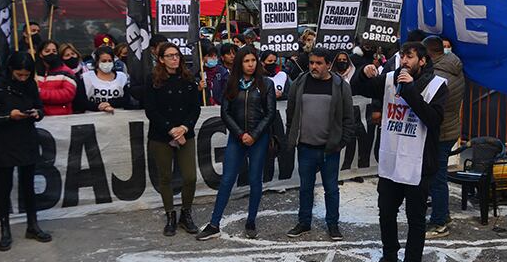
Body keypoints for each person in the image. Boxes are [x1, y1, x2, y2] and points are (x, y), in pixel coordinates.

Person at [358, 42, 449, 262]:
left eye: (410, 57)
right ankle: (389, 257)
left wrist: (408, 89)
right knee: (386, 212)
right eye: (402, 57)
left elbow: (432, 119)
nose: (404, 61)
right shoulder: (390, 79)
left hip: (418, 164)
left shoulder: (437, 86)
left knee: (415, 219)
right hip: (391, 161)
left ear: (422, 61)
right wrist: (363, 70)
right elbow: (360, 87)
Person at [197, 46, 277, 241]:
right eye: (246, 61)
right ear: (240, 63)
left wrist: (254, 135)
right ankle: (214, 223)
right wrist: (241, 134)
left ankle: (251, 221)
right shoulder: (231, 84)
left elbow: (270, 113)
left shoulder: (266, 84)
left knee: (255, 179)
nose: (250, 64)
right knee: (227, 180)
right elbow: (225, 112)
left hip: (258, 139)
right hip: (237, 138)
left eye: (253, 60)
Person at [285, 47, 355, 241]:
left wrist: (340, 143)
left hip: (329, 150)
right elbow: (290, 113)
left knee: (331, 189)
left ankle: (333, 224)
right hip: (305, 148)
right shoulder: (299, 83)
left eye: (318, 63)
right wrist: (293, 137)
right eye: (311, 63)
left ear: (329, 65)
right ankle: (304, 222)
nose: (313, 67)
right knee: (305, 188)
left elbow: (349, 118)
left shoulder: (341, 86)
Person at [0, 51, 51, 250]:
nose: (22, 78)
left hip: (26, 137)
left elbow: (40, 108)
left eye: (26, 75)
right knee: (4, 186)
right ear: (11, 70)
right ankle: (5, 228)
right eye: (19, 75)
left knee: (28, 185)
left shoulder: (30, 84)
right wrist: (8, 116)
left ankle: (32, 224)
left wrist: (37, 113)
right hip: (4, 139)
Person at [145, 42, 202, 236]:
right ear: (161, 59)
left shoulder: (188, 78)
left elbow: (195, 107)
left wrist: (184, 128)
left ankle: (186, 213)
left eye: (176, 55)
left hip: (186, 133)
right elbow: (151, 110)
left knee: (190, 177)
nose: (174, 59)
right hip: (161, 135)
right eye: (169, 56)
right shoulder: (153, 80)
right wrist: (171, 130)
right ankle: (170, 215)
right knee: (165, 177)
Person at [421, 36, 465, 238]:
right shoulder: (454, 66)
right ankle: (443, 214)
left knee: (436, 178)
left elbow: (430, 106)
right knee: (437, 175)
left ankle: (439, 222)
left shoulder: (438, 75)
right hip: (450, 128)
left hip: (441, 131)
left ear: (429, 53)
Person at [80, 46, 131, 113]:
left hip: (118, 115)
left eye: (110, 61)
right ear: (97, 62)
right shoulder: (86, 77)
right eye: (104, 61)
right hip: (92, 116)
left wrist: (109, 103)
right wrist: (98, 106)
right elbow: (81, 101)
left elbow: (126, 99)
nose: (107, 63)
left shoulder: (121, 77)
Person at [35, 39, 77, 116]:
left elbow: (67, 95)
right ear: (41, 54)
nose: (51, 53)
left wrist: (40, 93)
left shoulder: (67, 71)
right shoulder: (35, 72)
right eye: (47, 51)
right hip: (40, 117)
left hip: (62, 116)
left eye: (54, 51)